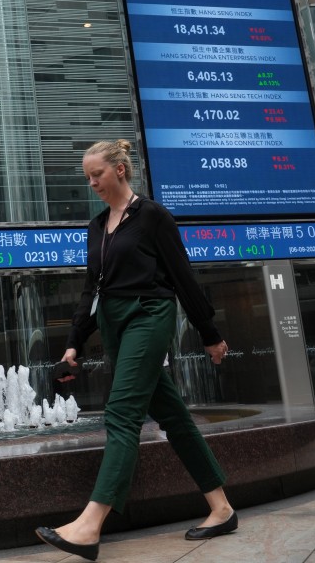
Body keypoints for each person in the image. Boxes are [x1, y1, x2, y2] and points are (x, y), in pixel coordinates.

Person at [35, 140, 236, 561]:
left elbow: (183, 277)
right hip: (113, 323)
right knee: (174, 417)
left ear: (120, 170)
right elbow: (94, 288)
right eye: (87, 177)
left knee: (122, 412)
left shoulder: (153, 217)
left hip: (149, 314)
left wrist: (210, 333)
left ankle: (90, 525)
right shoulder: (96, 226)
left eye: (97, 175)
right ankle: (221, 508)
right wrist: (75, 340)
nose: (91, 183)